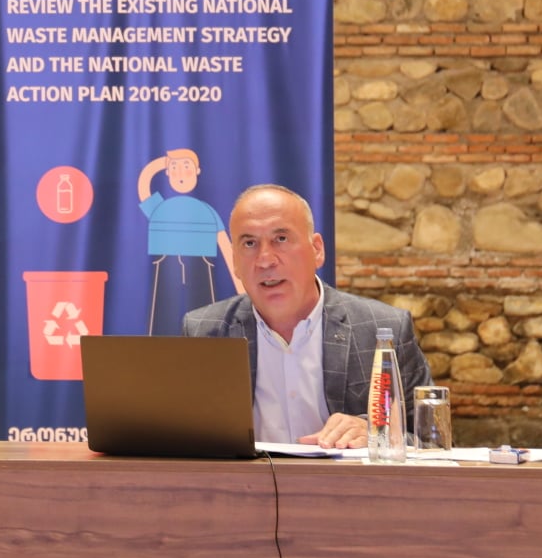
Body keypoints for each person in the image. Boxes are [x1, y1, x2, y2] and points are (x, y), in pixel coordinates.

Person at [182, 184, 430, 449]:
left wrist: (378, 436)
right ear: (235, 262)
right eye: (249, 243)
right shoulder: (205, 333)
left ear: (317, 249)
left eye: (281, 239)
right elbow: (185, 444)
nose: (265, 260)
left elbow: (431, 443)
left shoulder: (383, 329)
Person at [138, 146, 236, 335]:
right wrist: (164, 162)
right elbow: (144, 183)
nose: (181, 174)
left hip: (201, 267)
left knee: (205, 324)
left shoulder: (206, 211)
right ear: (167, 172)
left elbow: (225, 246)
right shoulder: (161, 208)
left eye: (187, 167)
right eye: (174, 168)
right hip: (166, 265)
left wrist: (243, 288)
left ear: (198, 171)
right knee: (162, 323)